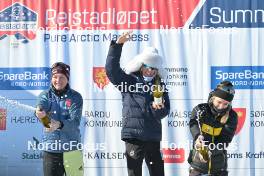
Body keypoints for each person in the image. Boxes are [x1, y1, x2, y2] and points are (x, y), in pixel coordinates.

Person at [105, 32, 170, 176]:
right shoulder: (129, 81)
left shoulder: (160, 85)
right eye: (148, 66)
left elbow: (165, 110)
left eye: (154, 68)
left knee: (158, 172)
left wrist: (157, 110)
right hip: (133, 136)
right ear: (141, 65)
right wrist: (118, 46)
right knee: (134, 173)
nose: (150, 71)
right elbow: (111, 70)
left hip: (153, 136)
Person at [35, 62, 83, 176]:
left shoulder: (75, 96)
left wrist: (59, 124)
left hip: (72, 149)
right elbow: (41, 107)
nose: (58, 80)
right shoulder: (45, 95)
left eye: (62, 77)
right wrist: (40, 113)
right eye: (55, 77)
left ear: (67, 79)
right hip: (51, 150)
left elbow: (75, 122)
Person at [188, 80, 238, 176]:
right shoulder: (200, 109)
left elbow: (225, 140)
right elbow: (193, 124)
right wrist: (198, 137)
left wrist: (209, 151)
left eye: (225, 104)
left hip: (219, 166)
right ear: (213, 98)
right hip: (197, 164)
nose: (221, 106)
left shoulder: (232, 116)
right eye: (219, 102)